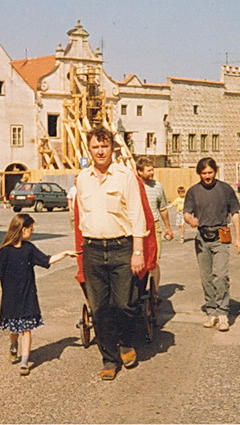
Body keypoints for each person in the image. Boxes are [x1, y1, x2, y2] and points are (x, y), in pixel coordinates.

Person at [76, 125, 146, 381]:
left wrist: (137, 251)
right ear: (89, 149)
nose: (100, 151)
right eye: (95, 146)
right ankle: (109, 358)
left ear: (112, 148)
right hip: (93, 249)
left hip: (121, 248)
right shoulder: (82, 178)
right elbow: (81, 216)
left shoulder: (124, 175)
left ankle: (126, 342)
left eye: (104, 145)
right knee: (100, 308)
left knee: (124, 304)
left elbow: (136, 214)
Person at [0, 214, 75, 375]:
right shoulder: (5, 252)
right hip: (11, 298)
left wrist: (64, 253)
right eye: (31, 229)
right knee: (14, 328)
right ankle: (13, 345)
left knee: (26, 329)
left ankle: (24, 362)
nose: (32, 232)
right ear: (23, 229)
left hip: (27, 296)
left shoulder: (29, 249)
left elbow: (46, 260)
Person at [184, 157, 240, 332]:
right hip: (202, 238)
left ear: (215, 172)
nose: (207, 176)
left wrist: (238, 238)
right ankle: (212, 312)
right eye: (203, 173)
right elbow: (186, 212)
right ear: (199, 174)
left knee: (221, 275)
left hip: (221, 236)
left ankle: (223, 313)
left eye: (210, 172)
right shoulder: (193, 191)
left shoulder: (225, 189)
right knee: (206, 277)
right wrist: (190, 220)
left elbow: (235, 214)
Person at [136, 157, 173, 292]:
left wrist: (168, 227)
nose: (152, 173)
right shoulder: (133, 186)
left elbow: (162, 208)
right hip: (137, 228)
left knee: (154, 261)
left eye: (153, 170)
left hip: (154, 227)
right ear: (140, 171)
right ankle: (137, 291)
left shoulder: (158, 186)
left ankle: (154, 293)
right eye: (149, 170)